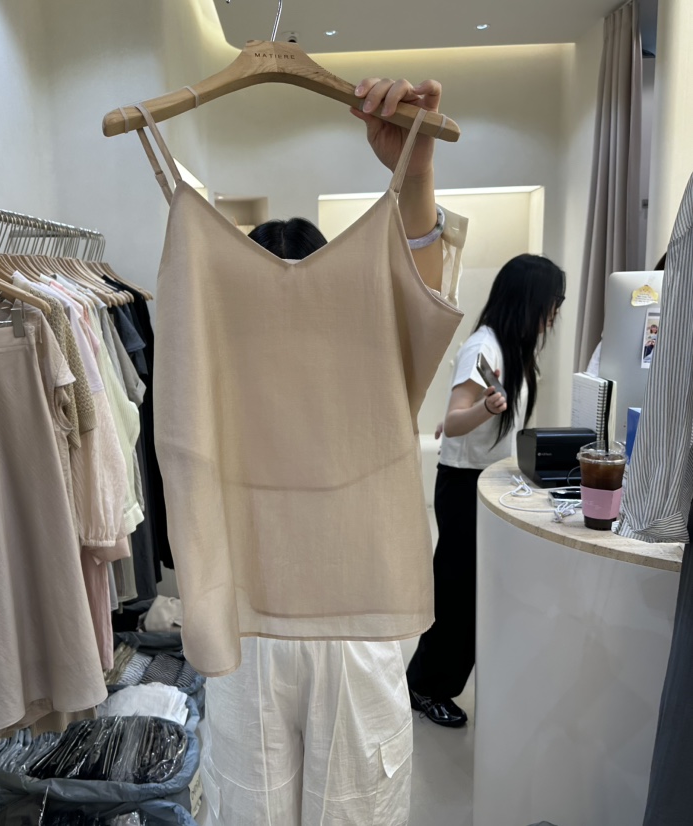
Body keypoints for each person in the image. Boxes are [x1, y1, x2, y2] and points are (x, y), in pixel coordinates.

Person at [199, 76, 466, 826]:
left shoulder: (372, 367)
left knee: (353, 812)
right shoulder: (213, 367)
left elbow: (420, 296)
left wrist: (415, 173)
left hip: (354, 621)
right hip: (245, 627)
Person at [406, 253, 566, 727]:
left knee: (469, 594)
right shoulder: (486, 347)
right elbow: (455, 420)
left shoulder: (511, 348)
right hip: (464, 487)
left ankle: (432, 680)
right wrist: (483, 411)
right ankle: (425, 686)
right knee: (458, 597)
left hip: (483, 482)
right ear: (528, 300)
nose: (554, 314)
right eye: (552, 302)